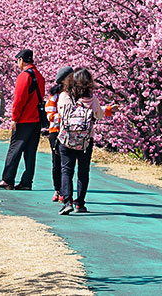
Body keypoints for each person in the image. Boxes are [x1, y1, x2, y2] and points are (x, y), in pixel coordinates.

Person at [56, 68, 118, 215]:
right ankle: (80, 204)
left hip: (67, 139)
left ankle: (67, 202)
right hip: (86, 140)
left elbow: (60, 113)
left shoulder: (64, 96)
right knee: (83, 172)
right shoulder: (92, 99)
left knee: (66, 170)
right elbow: (100, 115)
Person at [0, 49, 45, 191]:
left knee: (14, 150)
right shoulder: (39, 76)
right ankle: (26, 182)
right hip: (36, 120)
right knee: (30, 152)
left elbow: (19, 100)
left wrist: (14, 118)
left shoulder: (24, 76)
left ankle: (8, 179)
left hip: (24, 120)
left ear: (21, 60)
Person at [44, 66, 73, 203]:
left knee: (68, 163)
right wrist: (65, 118)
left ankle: (66, 191)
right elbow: (50, 115)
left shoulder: (74, 94)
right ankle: (58, 189)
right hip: (56, 131)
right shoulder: (54, 96)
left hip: (70, 132)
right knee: (57, 162)